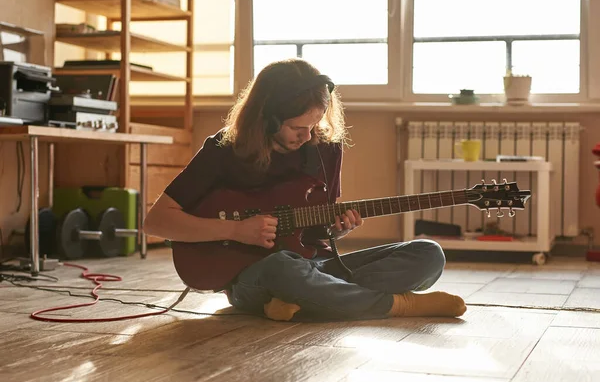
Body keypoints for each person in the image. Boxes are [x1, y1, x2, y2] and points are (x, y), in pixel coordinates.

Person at [143, 59, 466, 322]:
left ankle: (302, 303)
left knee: (428, 254)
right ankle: (399, 306)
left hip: (315, 266)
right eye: (298, 128)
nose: (308, 136)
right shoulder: (224, 149)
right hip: (255, 277)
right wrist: (237, 231)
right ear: (267, 119)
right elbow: (156, 221)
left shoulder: (325, 148)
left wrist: (336, 230)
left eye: (314, 125)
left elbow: (315, 230)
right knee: (282, 267)